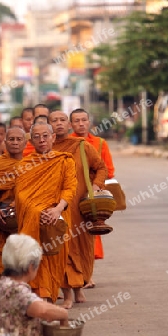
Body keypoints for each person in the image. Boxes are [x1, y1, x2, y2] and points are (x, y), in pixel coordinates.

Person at [0, 120, 77, 302]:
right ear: (31, 140)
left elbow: (70, 188)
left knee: (56, 256)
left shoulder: (64, 160)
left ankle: (55, 294)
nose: (42, 140)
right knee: (33, 256)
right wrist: (37, 211)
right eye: (37, 137)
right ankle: (39, 297)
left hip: (58, 215)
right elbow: (21, 194)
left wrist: (56, 209)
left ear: (53, 137)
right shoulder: (25, 164)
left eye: (45, 136)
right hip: (32, 217)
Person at [49, 111, 107, 308]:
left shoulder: (82, 146)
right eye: (54, 121)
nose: (59, 124)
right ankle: (66, 294)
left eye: (62, 120)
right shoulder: (46, 149)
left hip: (80, 208)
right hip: (57, 209)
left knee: (82, 249)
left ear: (69, 124)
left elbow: (101, 167)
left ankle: (79, 286)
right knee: (62, 250)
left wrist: (97, 186)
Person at [70, 108, 116, 286]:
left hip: (92, 197)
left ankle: (87, 275)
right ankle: (74, 274)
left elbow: (108, 170)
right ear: (71, 124)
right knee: (72, 236)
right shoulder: (66, 144)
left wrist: (94, 186)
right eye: (76, 121)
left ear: (89, 122)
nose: (81, 124)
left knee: (90, 236)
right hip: (71, 195)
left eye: (84, 120)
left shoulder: (99, 143)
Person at [0, 127, 27, 288]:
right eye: (11, 139)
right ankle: (0, 301)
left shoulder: (31, 163)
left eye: (19, 139)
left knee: (24, 261)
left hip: (23, 217)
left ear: (25, 142)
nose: (15, 143)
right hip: (1, 216)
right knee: (1, 261)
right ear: (5, 142)